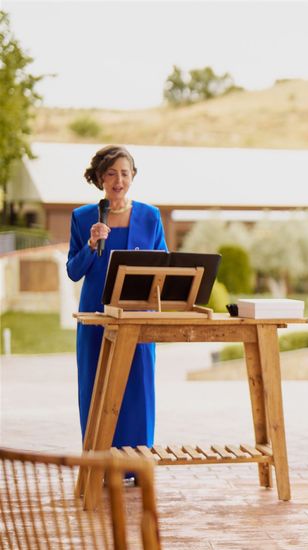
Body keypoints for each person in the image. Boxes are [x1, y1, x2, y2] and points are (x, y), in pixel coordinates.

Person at [67, 145, 168, 455]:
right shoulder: (83, 217)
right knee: (95, 387)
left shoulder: (150, 216)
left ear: (132, 176)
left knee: (137, 388)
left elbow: (164, 266)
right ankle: (99, 458)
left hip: (137, 317)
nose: (118, 180)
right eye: (111, 174)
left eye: (124, 173)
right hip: (95, 317)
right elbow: (73, 271)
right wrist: (90, 243)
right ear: (100, 179)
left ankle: (137, 461)